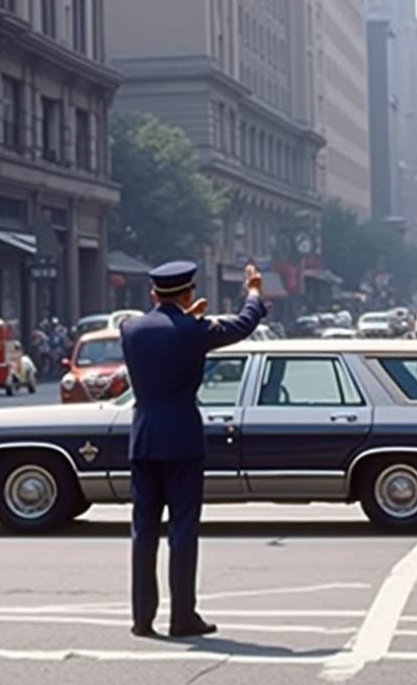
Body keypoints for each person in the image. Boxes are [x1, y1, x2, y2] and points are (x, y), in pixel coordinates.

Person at [122, 259, 265, 639]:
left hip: (144, 437)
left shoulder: (130, 328)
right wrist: (252, 290)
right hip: (182, 438)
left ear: (153, 293)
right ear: (188, 293)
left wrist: (185, 316)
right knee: (182, 529)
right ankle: (182, 616)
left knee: (143, 531)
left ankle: (142, 618)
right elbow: (244, 324)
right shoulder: (195, 330)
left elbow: (165, 331)